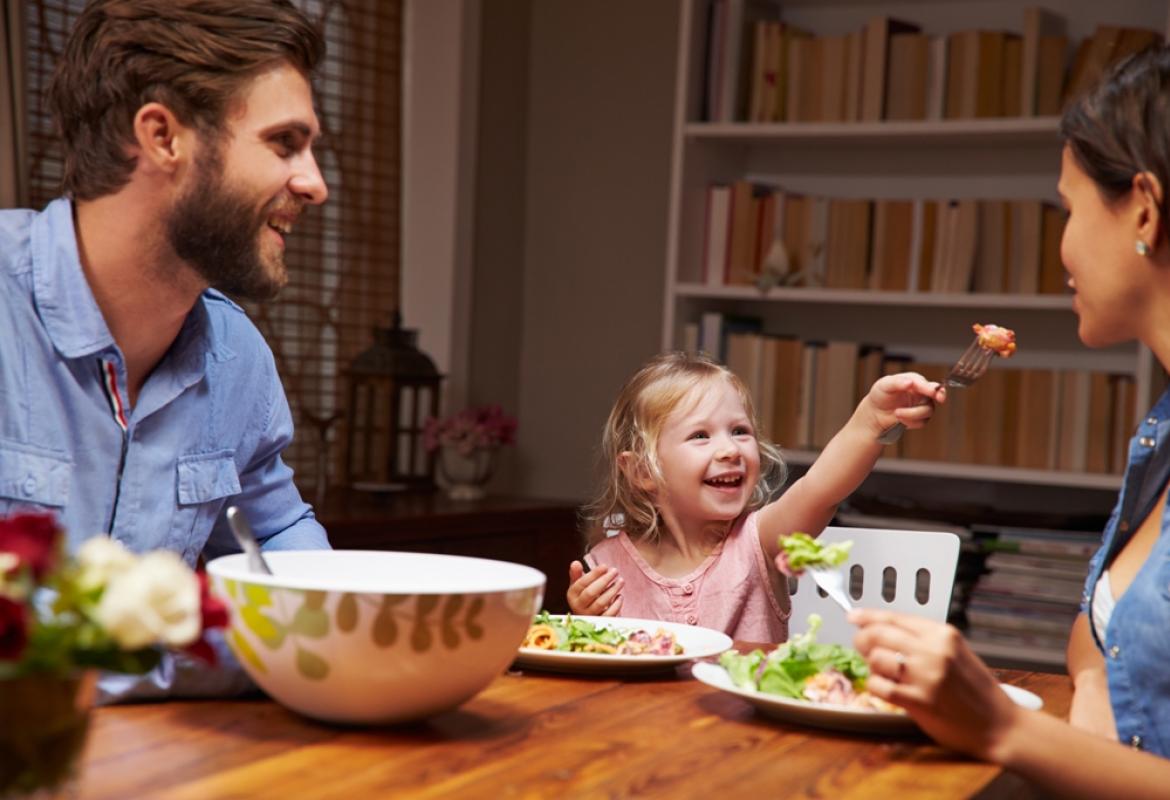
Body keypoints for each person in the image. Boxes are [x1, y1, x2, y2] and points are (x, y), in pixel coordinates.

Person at [850, 44, 1170, 798]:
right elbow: (1100, 644)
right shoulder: (1159, 433)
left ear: (1145, 211)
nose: (1060, 251)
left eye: (1067, 208)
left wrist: (1001, 726)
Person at [0, 0, 331, 699]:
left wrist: (347, 631)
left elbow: (280, 548)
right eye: (283, 144)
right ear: (162, 136)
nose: (314, 184)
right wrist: (217, 654)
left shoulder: (238, 357)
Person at [565, 350, 942, 641]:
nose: (730, 450)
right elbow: (596, 660)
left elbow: (821, 489)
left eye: (740, 431)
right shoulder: (607, 564)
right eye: (700, 436)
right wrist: (585, 621)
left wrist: (871, 419)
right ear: (643, 471)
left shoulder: (760, 541)